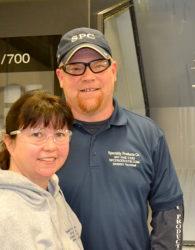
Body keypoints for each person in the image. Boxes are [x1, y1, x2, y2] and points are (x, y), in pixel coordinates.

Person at [56, 27, 184, 250]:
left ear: (113, 71)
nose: (88, 76)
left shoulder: (148, 134)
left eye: (98, 65)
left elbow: (169, 210)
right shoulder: (44, 138)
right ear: (61, 77)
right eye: (75, 68)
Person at [0, 90, 83, 249]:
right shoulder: (4, 211)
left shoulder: (53, 193)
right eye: (37, 134)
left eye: (59, 134)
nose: (51, 146)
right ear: (10, 143)